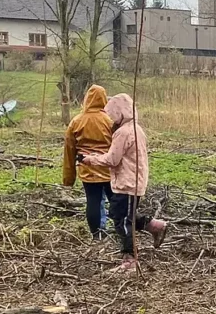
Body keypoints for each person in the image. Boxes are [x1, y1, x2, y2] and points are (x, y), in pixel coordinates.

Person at [81, 94, 168, 271]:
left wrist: (90, 159)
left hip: (127, 182)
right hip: (134, 181)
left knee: (122, 222)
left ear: (119, 112)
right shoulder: (137, 129)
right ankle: (155, 226)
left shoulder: (123, 132)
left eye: (112, 115)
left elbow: (112, 159)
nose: (111, 120)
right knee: (120, 214)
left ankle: (130, 260)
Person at [63, 85, 113, 240]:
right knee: (117, 201)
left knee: (93, 201)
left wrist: (68, 179)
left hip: (87, 169)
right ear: (104, 99)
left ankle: (96, 235)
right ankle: (123, 230)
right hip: (109, 168)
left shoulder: (76, 121)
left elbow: (69, 150)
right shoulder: (110, 120)